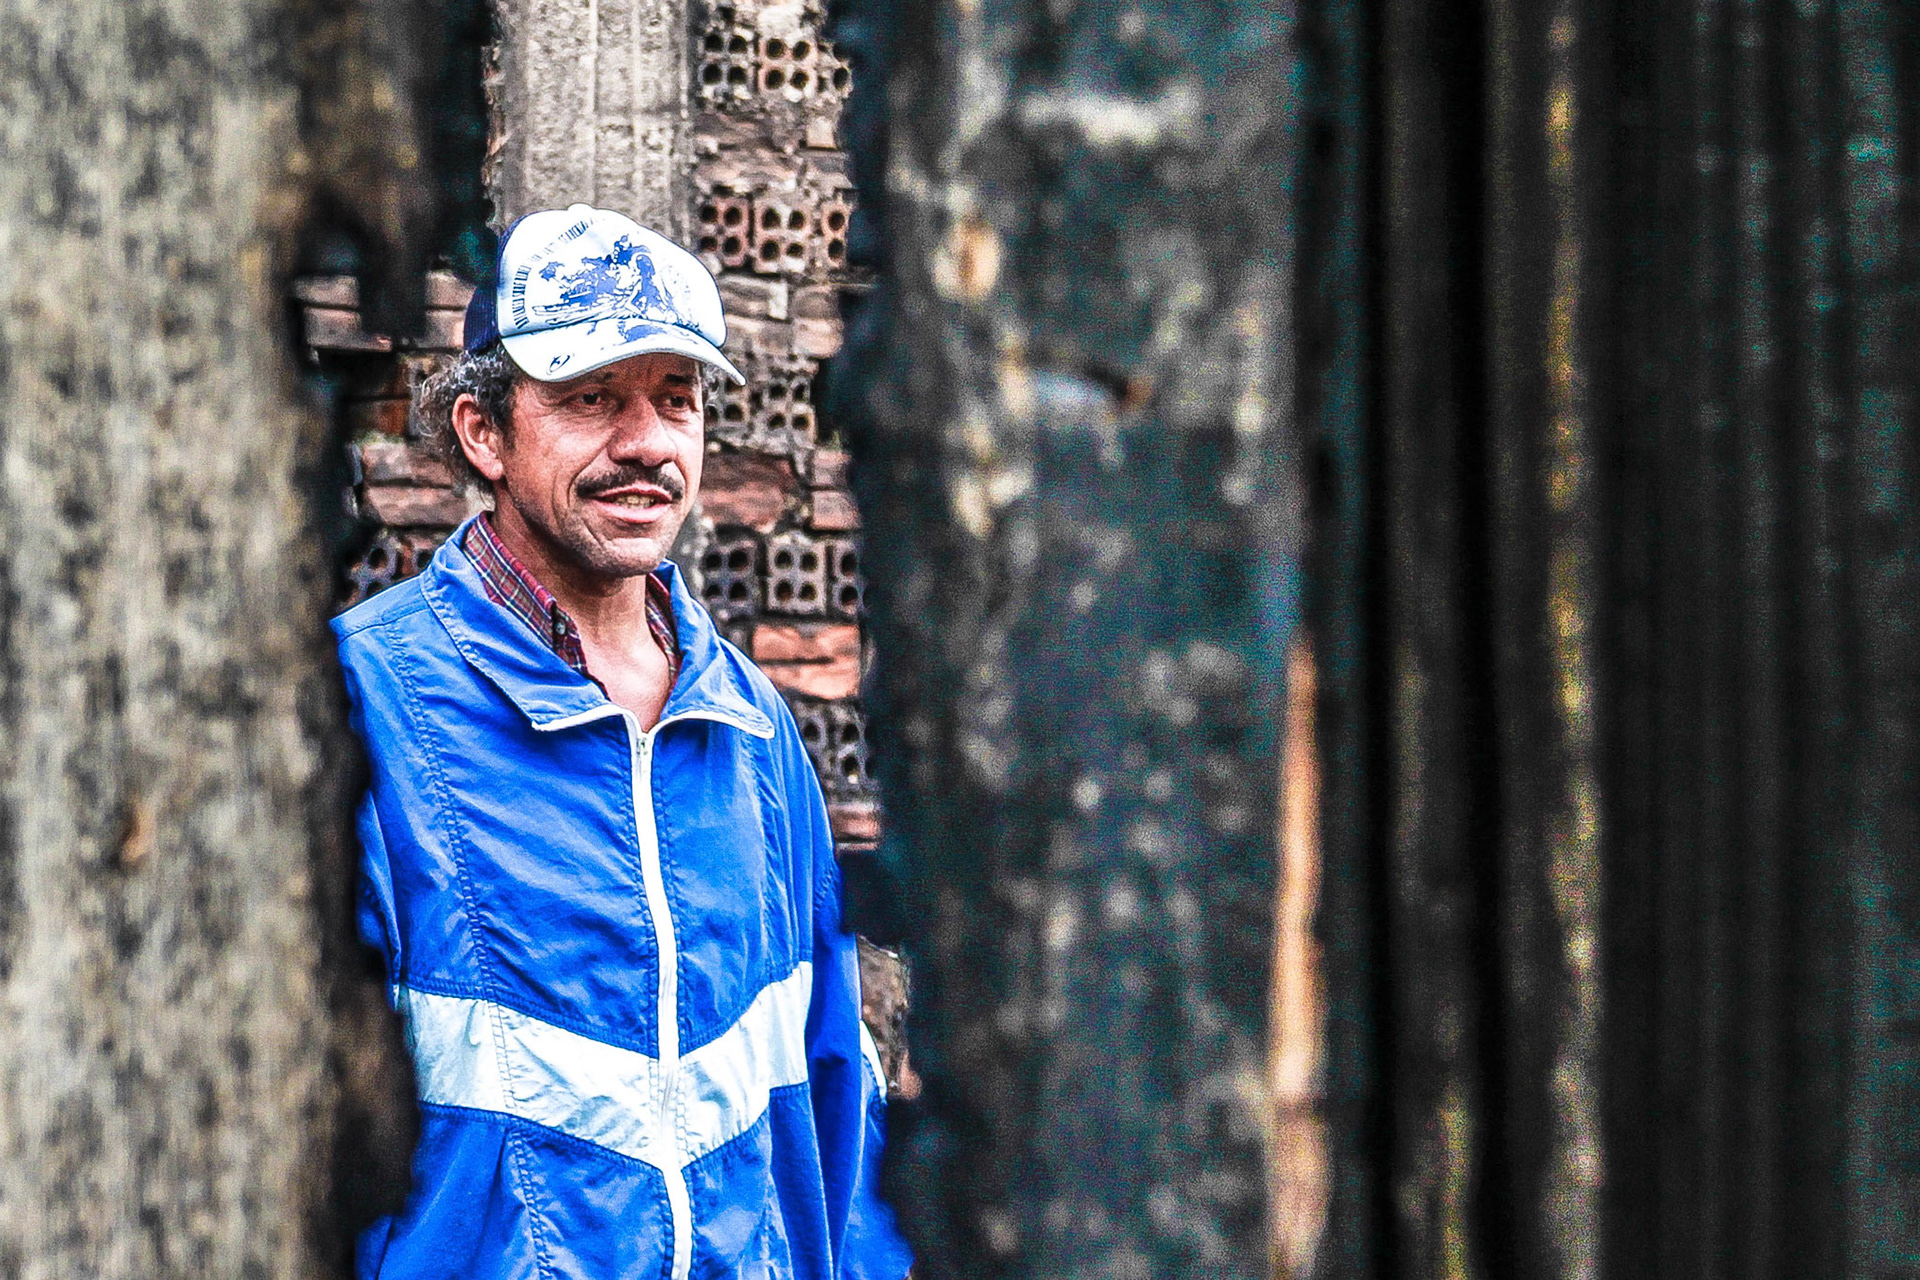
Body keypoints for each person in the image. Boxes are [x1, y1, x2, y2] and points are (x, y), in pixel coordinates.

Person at [335, 204, 912, 1280]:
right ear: (484, 432)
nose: (646, 442)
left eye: (676, 399)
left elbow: (828, 1098)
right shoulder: (355, 714)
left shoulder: (750, 729)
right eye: (592, 397)